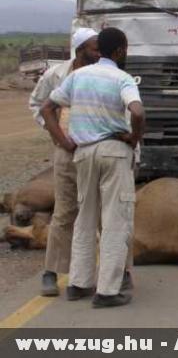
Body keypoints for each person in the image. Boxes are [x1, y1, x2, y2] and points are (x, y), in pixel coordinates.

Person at [40, 28, 145, 308]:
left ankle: (78, 284)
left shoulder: (77, 76)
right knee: (114, 220)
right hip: (113, 152)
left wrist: (63, 141)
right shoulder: (122, 78)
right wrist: (134, 137)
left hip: (82, 153)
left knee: (83, 218)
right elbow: (137, 112)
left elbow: (46, 108)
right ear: (120, 51)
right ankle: (108, 291)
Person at [29, 28, 100, 297]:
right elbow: (37, 104)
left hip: (96, 150)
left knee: (99, 212)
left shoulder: (103, 73)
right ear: (79, 49)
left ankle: (106, 274)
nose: (98, 52)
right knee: (64, 211)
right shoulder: (56, 75)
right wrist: (56, 134)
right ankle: (51, 272)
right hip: (66, 150)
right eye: (94, 48)